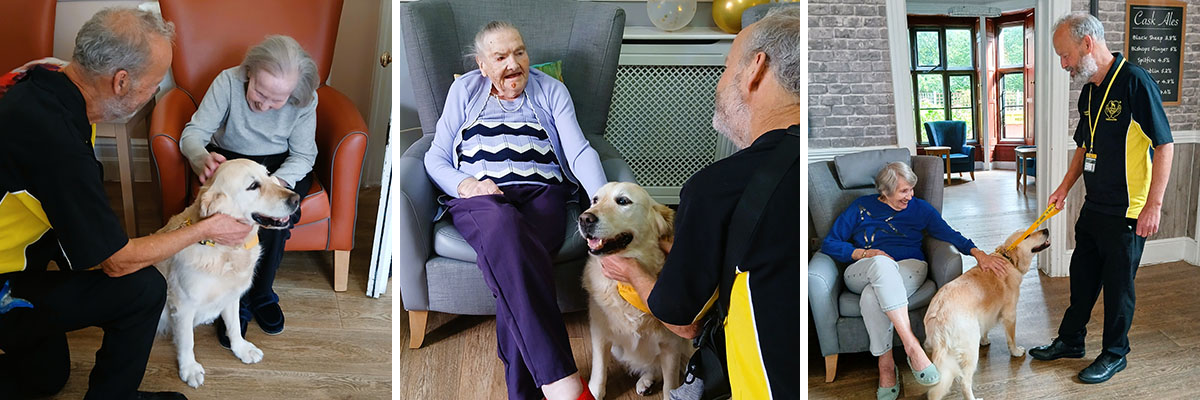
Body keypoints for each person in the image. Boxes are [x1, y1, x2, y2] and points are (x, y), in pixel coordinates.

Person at [0, 8, 252, 400]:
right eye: (154, 86)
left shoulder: (47, 73)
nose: (155, 94)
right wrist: (203, 228)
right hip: (3, 279)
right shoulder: (57, 145)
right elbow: (116, 261)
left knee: (47, 378)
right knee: (143, 288)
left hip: (19, 256)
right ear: (121, 82)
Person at [596, 7, 804, 399]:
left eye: (725, 68)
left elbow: (683, 321)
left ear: (755, 69)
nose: (720, 83)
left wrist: (632, 274)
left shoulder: (715, 188)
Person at [423, 21, 607, 400]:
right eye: (501, 56)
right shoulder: (464, 90)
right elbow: (435, 156)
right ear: (482, 65)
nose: (514, 64)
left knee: (516, 263)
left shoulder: (552, 90)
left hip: (544, 193)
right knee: (506, 227)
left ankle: (525, 393)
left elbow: (578, 151)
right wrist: (467, 186)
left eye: (519, 52)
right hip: (482, 199)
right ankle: (563, 384)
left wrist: (600, 200)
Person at [1028, 12, 1173, 384]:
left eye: (1065, 55)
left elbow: (1164, 145)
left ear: (1087, 44)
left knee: (1118, 288)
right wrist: (1064, 187)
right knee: (1083, 278)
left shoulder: (1134, 83)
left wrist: (1153, 206)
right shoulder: (1090, 90)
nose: (1064, 64)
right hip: (1095, 207)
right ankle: (1071, 340)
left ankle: (1114, 353)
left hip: (1128, 212)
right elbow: (1083, 146)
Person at [821, 161, 1007, 399]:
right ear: (884, 191)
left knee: (871, 296)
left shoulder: (921, 209)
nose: (910, 196)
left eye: (911, 189)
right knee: (881, 263)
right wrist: (865, 253)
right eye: (903, 191)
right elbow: (830, 243)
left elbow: (949, 233)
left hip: (909, 268)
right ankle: (912, 346)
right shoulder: (860, 208)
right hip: (863, 268)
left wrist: (978, 253)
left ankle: (886, 367)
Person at [179, 35, 320, 348]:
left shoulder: (305, 99)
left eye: (276, 100)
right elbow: (194, 134)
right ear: (249, 72)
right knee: (235, 220)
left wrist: (274, 186)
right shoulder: (227, 82)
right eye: (259, 91)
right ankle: (235, 302)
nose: (263, 104)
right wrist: (200, 157)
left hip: (279, 166)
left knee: (276, 221)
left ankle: (262, 293)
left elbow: (303, 156)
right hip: (231, 163)